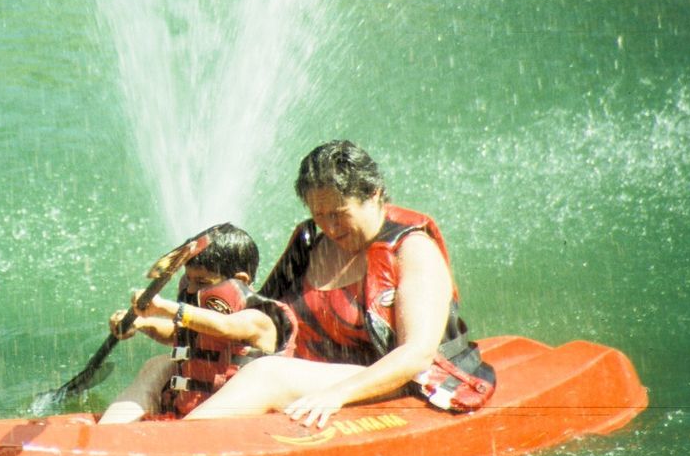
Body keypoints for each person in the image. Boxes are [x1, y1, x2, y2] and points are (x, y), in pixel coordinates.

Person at [183, 140, 495, 426]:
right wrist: (174, 317)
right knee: (160, 368)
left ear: (373, 195)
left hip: (398, 384)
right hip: (314, 378)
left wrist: (337, 393)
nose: (330, 228)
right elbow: (266, 320)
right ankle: (141, 442)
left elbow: (416, 355)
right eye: (320, 215)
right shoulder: (308, 245)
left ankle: (183, 451)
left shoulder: (413, 250)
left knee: (267, 375)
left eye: (339, 213)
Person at [97, 224, 292, 425]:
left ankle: (186, 433)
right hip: (192, 414)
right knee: (157, 364)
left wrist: (166, 308)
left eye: (201, 281)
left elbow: (224, 326)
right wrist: (143, 323)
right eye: (188, 279)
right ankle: (111, 429)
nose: (191, 289)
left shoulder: (257, 318)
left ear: (240, 280)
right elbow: (179, 334)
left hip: (241, 421)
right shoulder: (200, 318)